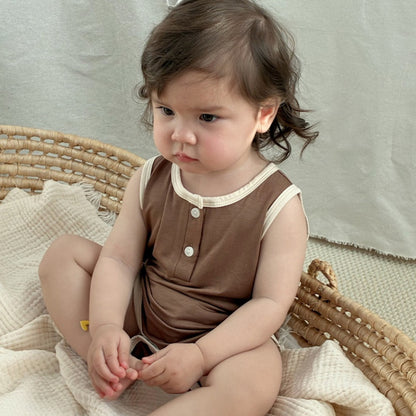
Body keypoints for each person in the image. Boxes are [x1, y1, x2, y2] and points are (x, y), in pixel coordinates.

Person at [39, 0, 318, 415]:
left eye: (207, 117)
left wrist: (202, 354)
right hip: (143, 306)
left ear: (263, 115)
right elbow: (118, 260)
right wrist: (105, 326)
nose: (180, 135)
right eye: (166, 111)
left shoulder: (278, 206)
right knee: (63, 255)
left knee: (255, 383)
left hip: (223, 336)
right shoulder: (150, 177)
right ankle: (111, 363)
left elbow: (269, 306)